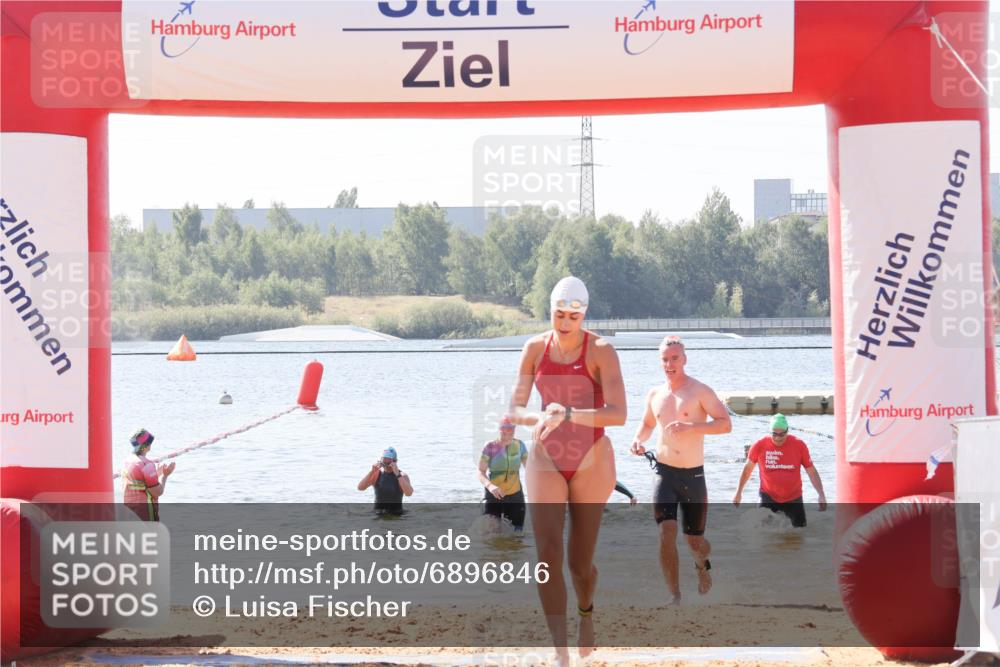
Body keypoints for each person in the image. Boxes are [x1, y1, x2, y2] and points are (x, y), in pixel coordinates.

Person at [508, 276, 627, 666]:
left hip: (592, 457)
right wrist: (540, 415)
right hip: (547, 456)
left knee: (579, 564)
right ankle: (560, 652)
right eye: (558, 314)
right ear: (551, 311)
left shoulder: (602, 351)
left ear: (583, 315)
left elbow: (619, 414)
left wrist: (570, 413)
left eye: (572, 316)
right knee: (547, 555)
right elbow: (515, 408)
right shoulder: (534, 348)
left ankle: (586, 612)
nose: (564, 322)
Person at [630, 336, 731, 603]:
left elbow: (725, 424)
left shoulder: (700, 391)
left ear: (684, 359)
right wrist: (639, 440)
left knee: (694, 542)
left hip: (693, 475)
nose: (669, 364)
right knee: (666, 532)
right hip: (664, 473)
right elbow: (647, 424)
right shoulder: (655, 394)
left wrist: (692, 427)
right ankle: (675, 595)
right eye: (665, 359)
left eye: (674, 358)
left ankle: (703, 565)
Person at [733, 413, 827, 527]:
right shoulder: (759, 445)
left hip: (793, 498)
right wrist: (738, 493)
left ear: (787, 431)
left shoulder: (799, 445)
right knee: (759, 533)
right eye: (774, 434)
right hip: (767, 496)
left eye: (781, 434)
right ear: (770, 432)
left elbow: (811, 471)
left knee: (799, 534)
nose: (777, 438)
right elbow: (747, 470)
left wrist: (821, 494)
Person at [478, 415, 529, 531]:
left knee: (517, 536)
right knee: (490, 537)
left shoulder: (520, 446)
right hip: (494, 496)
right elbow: (480, 472)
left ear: (514, 431)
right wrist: (490, 486)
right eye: (504, 434)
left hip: (515, 496)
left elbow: (530, 469)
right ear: (499, 430)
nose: (507, 438)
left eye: (510, 434)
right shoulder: (490, 447)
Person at [121, 428, 174, 522]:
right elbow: (158, 492)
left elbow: (139, 482)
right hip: (145, 515)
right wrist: (165, 475)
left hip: (129, 513)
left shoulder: (127, 461)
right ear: (146, 445)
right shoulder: (147, 465)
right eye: (150, 442)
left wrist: (157, 473)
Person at [357, 446, 413, 515]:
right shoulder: (377, 474)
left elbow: (409, 493)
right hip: (378, 514)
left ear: (395, 461)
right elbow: (360, 488)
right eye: (384, 461)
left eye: (389, 462)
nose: (386, 465)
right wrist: (371, 472)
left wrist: (398, 475)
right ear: (381, 461)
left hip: (397, 515)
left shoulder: (402, 476)